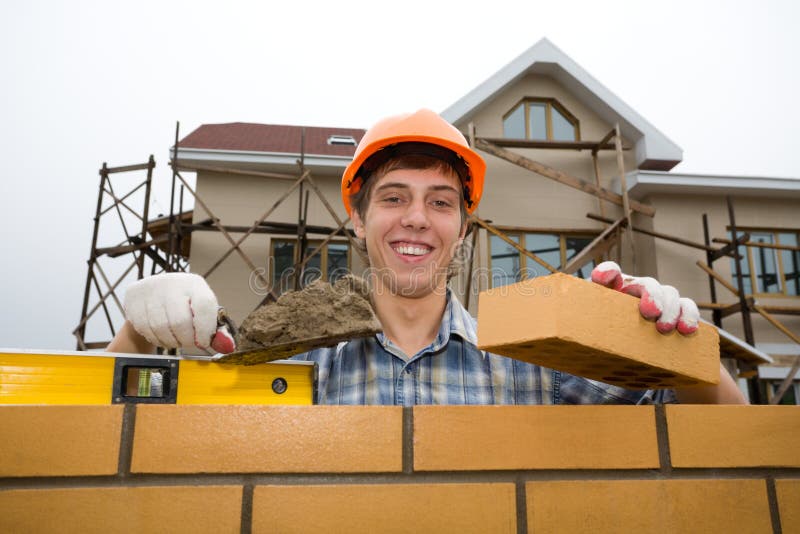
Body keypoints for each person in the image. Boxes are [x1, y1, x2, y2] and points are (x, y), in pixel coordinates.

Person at [108, 109, 746, 405]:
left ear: (463, 232)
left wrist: (675, 344)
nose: (417, 218)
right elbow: (101, 435)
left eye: (441, 202)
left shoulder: (531, 365)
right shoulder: (297, 365)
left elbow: (726, 428)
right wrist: (139, 330)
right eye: (394, 198)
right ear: (357, 220)